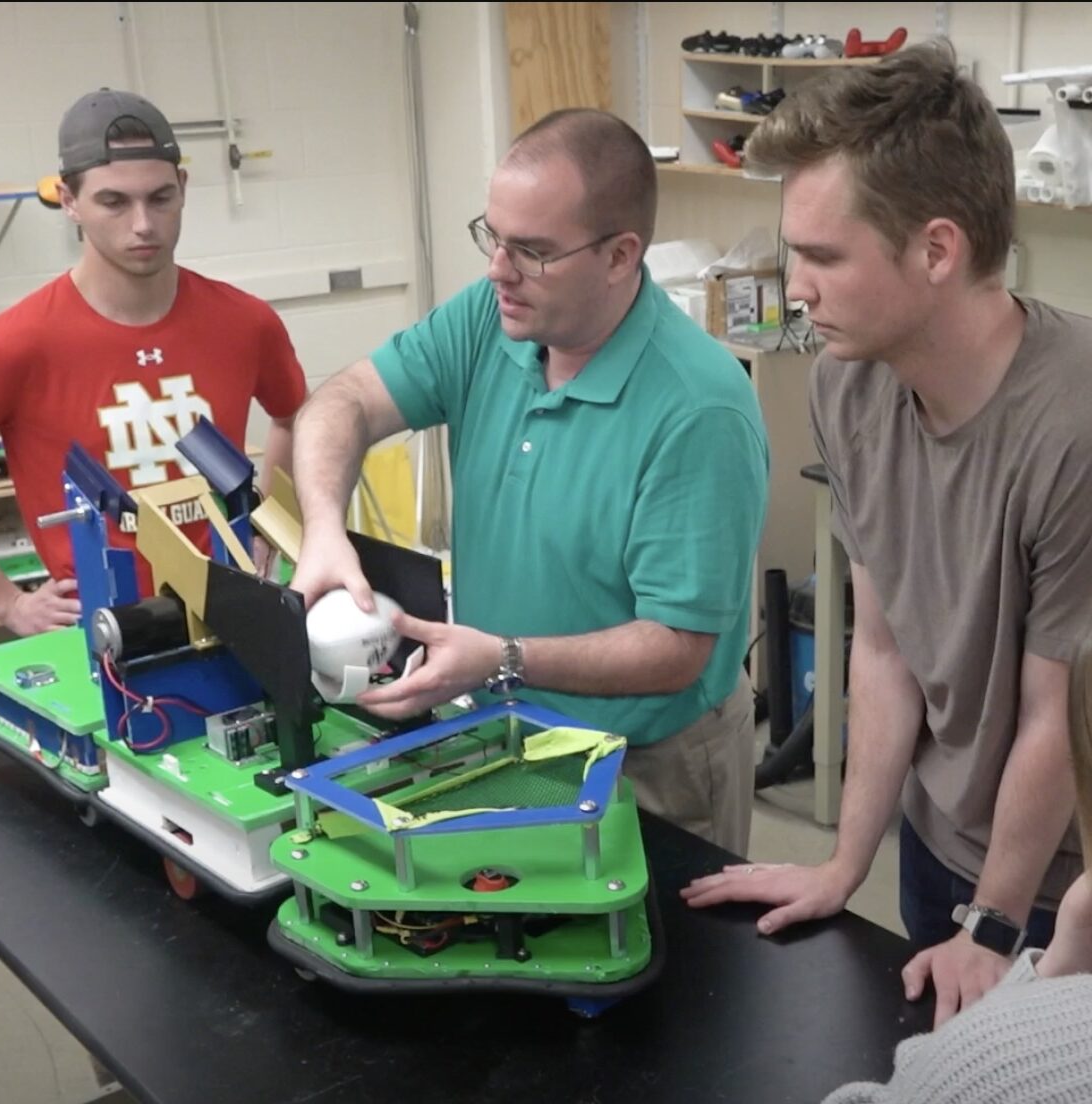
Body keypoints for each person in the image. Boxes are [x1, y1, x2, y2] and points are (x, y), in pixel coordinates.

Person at [681, 39, 1092, 1025]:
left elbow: (1055, 717)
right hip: (934, 844)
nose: (798, 288)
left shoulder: (1075, 424)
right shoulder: (846, 384)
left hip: (1059, 890)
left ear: (938, 250)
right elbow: (888, 648)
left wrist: (994, 928)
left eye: (823, 258)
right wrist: (840, 865)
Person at [290, 108, 769, 854]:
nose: (497, 271)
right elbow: (342, 401)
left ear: (620, 256)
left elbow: (677, 647)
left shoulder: (697, 409)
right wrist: (322, 525)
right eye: (493, 237)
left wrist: (502, 658)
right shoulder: (491, 318)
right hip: (505, 724)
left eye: (534, 251)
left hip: (649, 765)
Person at [0, 88, 306, 634]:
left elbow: (294, 415)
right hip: (98, 629)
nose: (143, 224)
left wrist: (267, 529)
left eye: (160, 198)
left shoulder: (245, 322)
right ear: (69, 200)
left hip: (229, 614)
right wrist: (9, 604)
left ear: (182, 188)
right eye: (114, 202)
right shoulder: (16, 342)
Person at [820, 636, 1092, 1103]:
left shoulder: (991, 1064)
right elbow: (882, 645)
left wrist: (1012, 987)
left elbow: (921, 1087)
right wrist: (1053, 973)